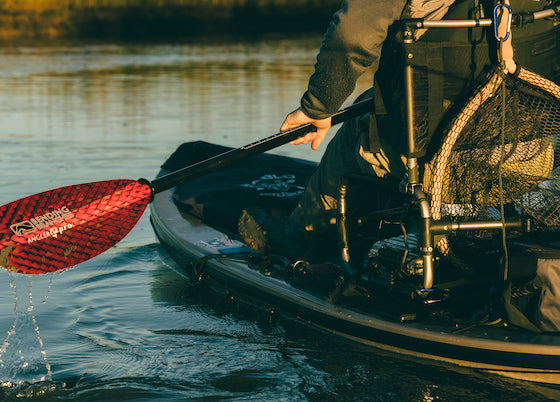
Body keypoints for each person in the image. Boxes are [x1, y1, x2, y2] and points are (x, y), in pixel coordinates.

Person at [238, 0, 560, 259]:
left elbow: (352, 35)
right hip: (530, 159)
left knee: (358, 127)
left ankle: (300, 236)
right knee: (372, 102)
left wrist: (317, 108)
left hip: (433, 162)